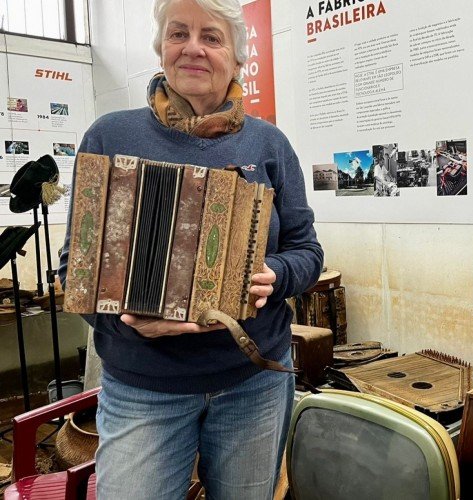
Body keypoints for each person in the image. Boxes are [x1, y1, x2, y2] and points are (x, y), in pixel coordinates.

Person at [58, 0, 323, 498]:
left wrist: (276, 274)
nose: (193, 48)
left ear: (238, 57)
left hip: (253, 383)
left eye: (212, 36)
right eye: (179, 33)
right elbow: (76, 268)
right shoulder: (110, 135)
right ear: (160, 49)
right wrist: (127, 323)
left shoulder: (268, 145)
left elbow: (306, 249)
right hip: (144, 388)